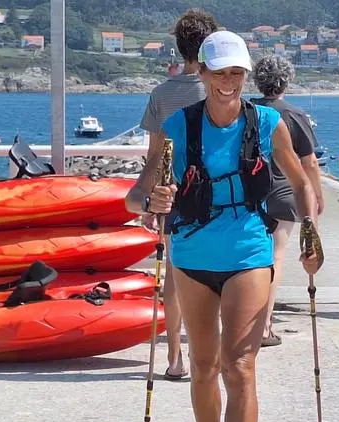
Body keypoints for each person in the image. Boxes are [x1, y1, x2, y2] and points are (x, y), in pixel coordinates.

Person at [130, 31, 320, 422]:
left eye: (237, 73)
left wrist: (310, 233)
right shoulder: (177, 126)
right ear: (203, 74)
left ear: (245, 75)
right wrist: (152, 203)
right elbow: (141, 190)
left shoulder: (268, 122)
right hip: (192, 256)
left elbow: (300, 182)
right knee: (203, 364)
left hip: (248, 253)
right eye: (220, 73)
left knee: (241, 366)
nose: (228, 82)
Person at [126, 9, 219, 380]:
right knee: (211, 274)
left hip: (170, 193)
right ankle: (202, 352)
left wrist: (146, 201)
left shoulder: (162, 94)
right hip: (213, 194)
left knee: (173, 280)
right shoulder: (218, 90)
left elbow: (154, 153)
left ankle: (175, 357)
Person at [249, 55, 324, 345]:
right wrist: (316, 196)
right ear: (287, 80)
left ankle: (244, 320)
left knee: (250, 259)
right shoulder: (293, 115)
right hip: (282, 193)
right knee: (275, 257)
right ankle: (264, 326)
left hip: (249, 193)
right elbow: (310, 164)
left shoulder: (247, 111)